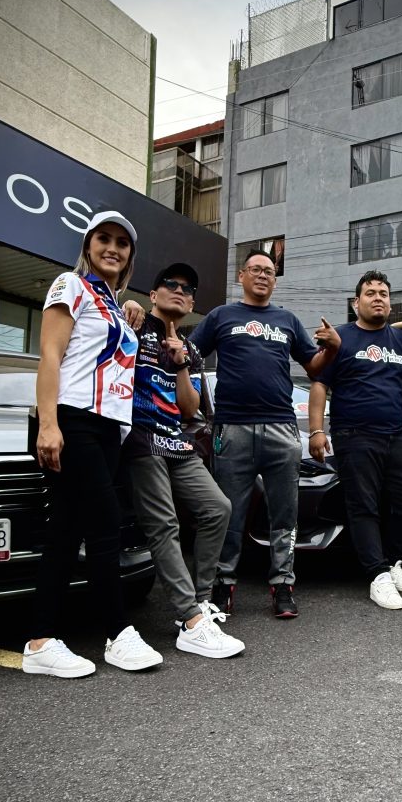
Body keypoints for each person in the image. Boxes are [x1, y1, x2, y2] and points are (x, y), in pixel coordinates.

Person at [23, 210, 163, 678]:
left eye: (122, 243)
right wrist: (48, 424)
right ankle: (118, 633)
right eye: (103, 238)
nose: (112, 248)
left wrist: (131, 309)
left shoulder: (115, 306)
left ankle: (40, 641)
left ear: (130, 256)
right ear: (88, 246)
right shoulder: (71, 285)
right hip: (73, 418)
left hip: (108, 427)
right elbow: (50, 354)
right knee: (105, 524)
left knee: (66, 530)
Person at [188, 248, 341, 619]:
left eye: (269, 271)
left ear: (275, 280)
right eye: (255, 269)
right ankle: (223, 585)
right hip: (231, 429)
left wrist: (332, 349)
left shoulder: (287, 320)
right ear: (241, 276)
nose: (262, 275)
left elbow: (314, 366)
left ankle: (283, 585)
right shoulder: (221, 316)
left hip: (281, 429)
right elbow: (189, 354)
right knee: (230, 513)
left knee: (285, 515)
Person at [123, 263, 244, 660]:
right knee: (165, 524)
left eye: (187, 289)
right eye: (170, 284)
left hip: (176, 441)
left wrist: (180, 364)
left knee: (217, 508)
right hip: (139, 438)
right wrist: (125, 307)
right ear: (152, 294)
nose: (179, 290)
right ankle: (190, 619)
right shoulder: (134, 325)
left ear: (192, 304)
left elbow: (190, 409)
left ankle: (201, 600)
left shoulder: (191, 348)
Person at [309, 270, 402, 611]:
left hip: (395, 435)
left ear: (390, 303)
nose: (378, 298)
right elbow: (319, 383)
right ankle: (377, 575)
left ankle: (392, 562)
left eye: (383, 294)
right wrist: (317, 430)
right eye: (370, 293)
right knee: (364, 506)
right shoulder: (340, 337)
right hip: (353, 434)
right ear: (356, 302)